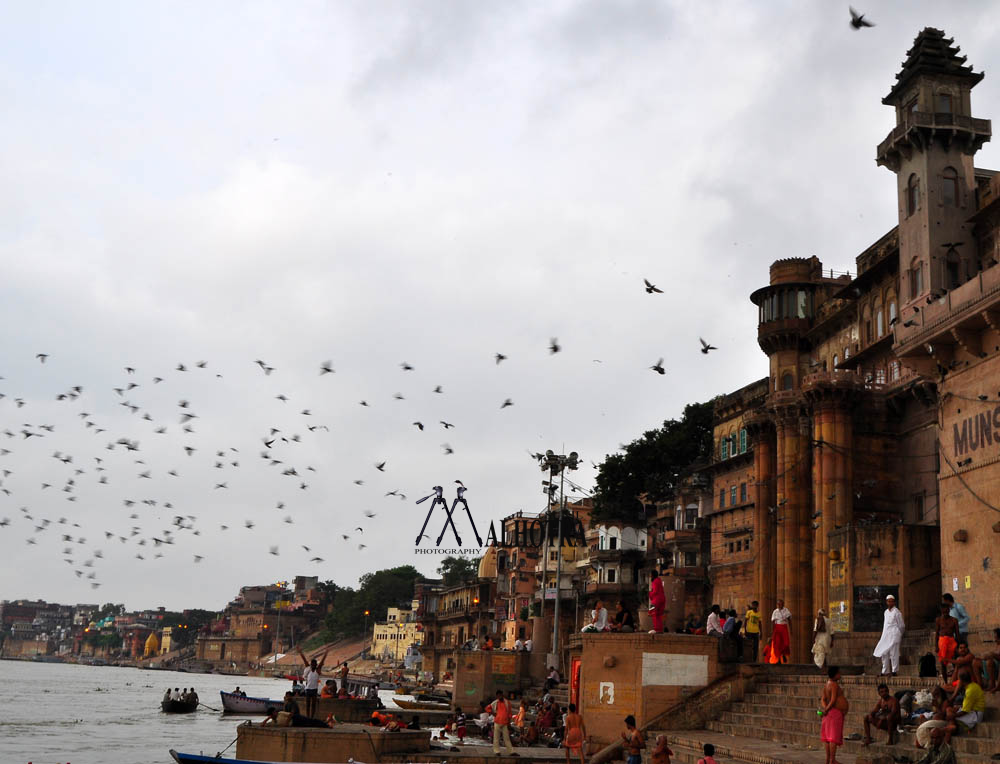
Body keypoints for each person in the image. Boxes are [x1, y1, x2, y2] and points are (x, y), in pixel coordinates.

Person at [819, 665, 848, 764]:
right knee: (833, 738)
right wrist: (827, 709)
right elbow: (833, 699)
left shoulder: (827, 684)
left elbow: (823, 699)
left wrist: (824, 709)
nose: (840, 675)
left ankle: (828, 759)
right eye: (839, 673)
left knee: (827, 737)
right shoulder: (834, 684)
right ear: (835, 675)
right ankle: (832, 759)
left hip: (828, 713)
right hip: (834, 713)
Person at [873, 594, 905, 676]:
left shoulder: (897, 612)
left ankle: (894, 671)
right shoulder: (886, 612)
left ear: (894, 602)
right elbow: (885, 625)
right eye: (888, 601)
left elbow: (901, 625)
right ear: (887, 602)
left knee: (894, 653)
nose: (890, 603)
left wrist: (898, 634)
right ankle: (885, 671)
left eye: (892, 601)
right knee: (884, 653)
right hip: (886, 635)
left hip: (894, 635)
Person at [298, 647, 328, 718]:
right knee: (308, 704)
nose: (313, 666)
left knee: (313, 704)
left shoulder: (318, 670)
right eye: (312, 664)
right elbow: (304, 660)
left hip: (314, 690)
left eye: (314, 665)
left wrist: (325, 654)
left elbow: (322, 662)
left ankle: (312, 717)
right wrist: (300, 652)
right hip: (308, 689)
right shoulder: (308, 669)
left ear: (316, 665)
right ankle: (308, 717)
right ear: (311, 665)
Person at [934, 602, 960, 681]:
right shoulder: (938, 620)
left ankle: (956, 681)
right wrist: (936, 646)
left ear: (949, 610)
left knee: (955, 662)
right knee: (943, 664)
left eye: (947, 611)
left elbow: (957, 634)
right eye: (943, 612)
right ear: (941, 611)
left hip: (952, 641)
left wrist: (958, 645)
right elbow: (937, 633)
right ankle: (945, 683)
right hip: (942, 642)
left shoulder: (954, 620)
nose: (945, 613)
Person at [490, 689, 517, 756]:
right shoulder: (495, 703)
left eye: (500, 695)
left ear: (502, 695)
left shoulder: (507, 702)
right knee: (496, 738)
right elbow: (488, 708)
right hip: (497, 722)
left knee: (507, 738)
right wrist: (493, 714)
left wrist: (509, 722)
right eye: (498, 695)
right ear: (497, 696)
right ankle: (497, 751)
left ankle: (511, 752)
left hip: (505, 723)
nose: (499, 696)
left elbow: (509, 713)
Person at [771, 599, 792, 663]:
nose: (779, 605)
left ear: (783, 604)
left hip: (784, 627)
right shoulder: (775, 611)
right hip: (777, 628)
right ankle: (778, 659)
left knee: (785, 643)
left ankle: (783, 655)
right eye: (778, 604)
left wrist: (791, 629)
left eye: (780, 604)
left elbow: (789, 620)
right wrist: (772, 631)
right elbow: (773, 621)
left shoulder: (786, 611)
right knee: (777, 644)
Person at [648, 567, 666, 634]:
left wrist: (650, 593)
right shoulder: (659, 580)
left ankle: (656, 629)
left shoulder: (654, 581)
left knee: (653, 614)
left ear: (652, 575)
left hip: (656, 600)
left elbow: (655, 591)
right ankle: (660, 629)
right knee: (659, 615)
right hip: (662, 599)